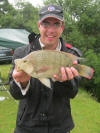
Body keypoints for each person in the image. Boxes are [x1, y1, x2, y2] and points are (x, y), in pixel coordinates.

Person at [9, 4, 82, 133]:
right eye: (46, 24)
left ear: (62, 27)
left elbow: (72, 93)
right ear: (39, 26)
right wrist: (23, 82)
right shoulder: (21, 54)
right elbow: (15, 94)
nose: (51, 30)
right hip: (27, 127)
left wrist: (63, 80)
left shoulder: (72, 55)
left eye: (56, 24)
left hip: (60, 127)